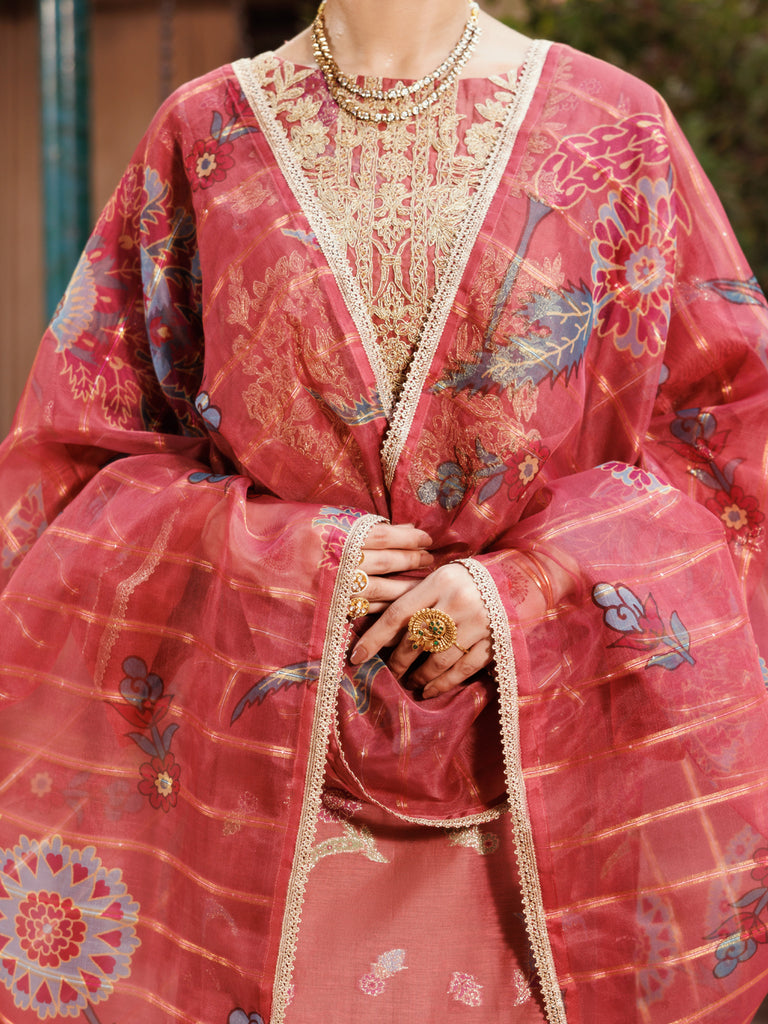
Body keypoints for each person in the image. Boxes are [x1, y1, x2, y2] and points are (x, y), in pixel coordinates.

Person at [1, 0, 767, 1021]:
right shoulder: (204, 133)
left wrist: (525, 591)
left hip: (542, 802)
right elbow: (79, 467)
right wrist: (283, 560)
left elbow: (728, 451)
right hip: (265, 799)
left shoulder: (614, 127)